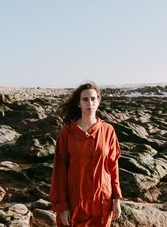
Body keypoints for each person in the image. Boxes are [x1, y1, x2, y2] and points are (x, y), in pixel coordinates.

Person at [50, 82, 123, 226]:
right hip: (76, 202)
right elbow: (59, 170)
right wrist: (61, 206)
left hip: (102, 202)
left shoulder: (108, 131)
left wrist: (117, 199)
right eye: (85, 99)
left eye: (93, 98)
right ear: (79, 103)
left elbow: (113, 167)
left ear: (98, 101)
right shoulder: (67, 132)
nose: (90, 103)